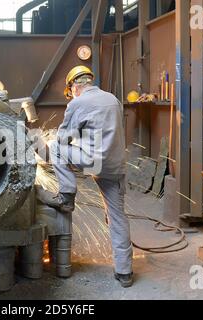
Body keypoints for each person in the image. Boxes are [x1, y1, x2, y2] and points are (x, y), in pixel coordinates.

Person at [39, 66, 134, 288]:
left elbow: (63, 140)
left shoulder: (77, 103)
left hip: (94, 162)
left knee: (55, 149)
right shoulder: (113, 100)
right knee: (118, 217)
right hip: (116, 166)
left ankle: (66, 195)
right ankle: (125, 273)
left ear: (75, 86)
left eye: (71, 91)